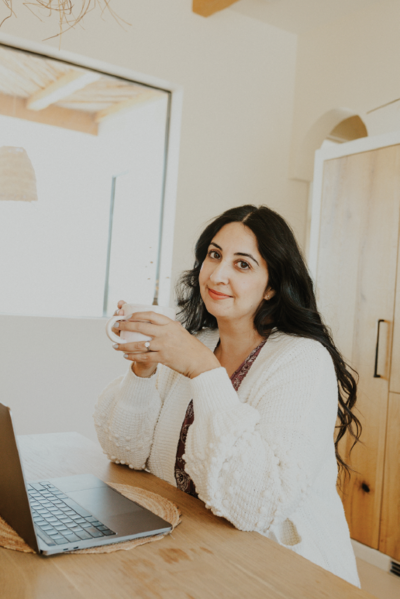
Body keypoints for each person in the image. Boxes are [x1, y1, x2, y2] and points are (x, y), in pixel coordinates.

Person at [94, 204, 361, 587]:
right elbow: (126, 452)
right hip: (193, 552)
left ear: (271, 286)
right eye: (214, 255)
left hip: (284, 572)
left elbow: (255, 504)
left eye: (243, 264)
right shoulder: (198, 341)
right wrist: (143, 370)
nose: (218, 274)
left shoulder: (302, 361)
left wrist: (205, 371)